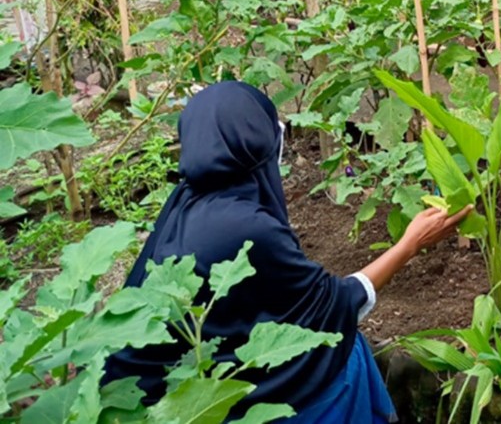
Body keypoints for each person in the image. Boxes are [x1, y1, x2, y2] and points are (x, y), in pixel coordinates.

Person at [103, 81, 470, 422]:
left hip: (143, 392)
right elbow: (335, 305)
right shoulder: (245, 226)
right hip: (184, 407)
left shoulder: (187, 201)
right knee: (345, 353)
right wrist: (409, 245)